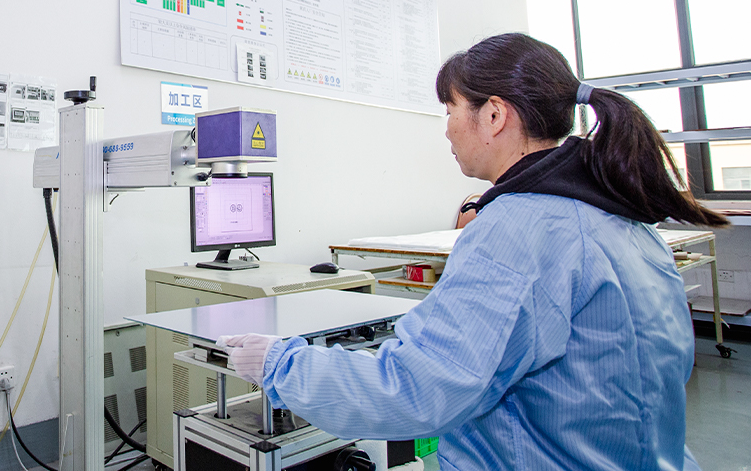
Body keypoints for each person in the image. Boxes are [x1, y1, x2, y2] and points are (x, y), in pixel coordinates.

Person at [218, 33, 728, 470]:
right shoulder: (625, 218)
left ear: (494, 114)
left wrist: (281, 363)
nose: (446, 127)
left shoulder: (519, 229)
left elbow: (417, 389)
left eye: (450, 110)